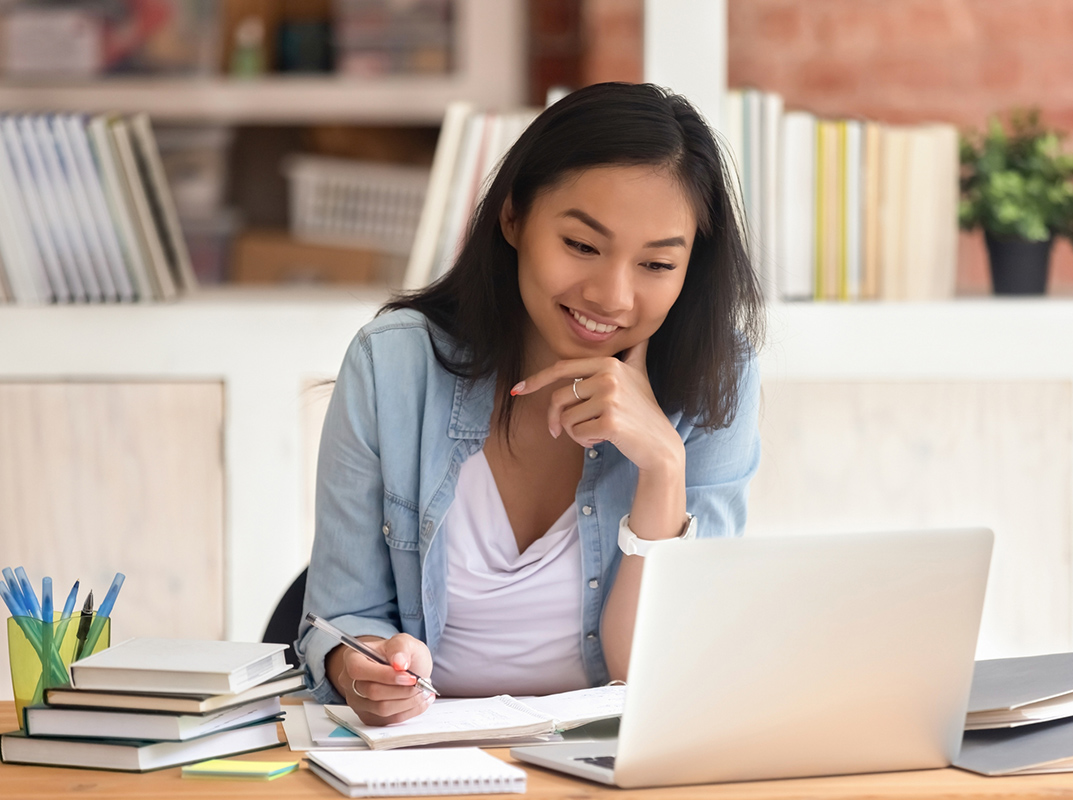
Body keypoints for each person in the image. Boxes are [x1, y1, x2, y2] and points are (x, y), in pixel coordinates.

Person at [296, 82, 763, 726]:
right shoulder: (393, 366)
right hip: (425, 763)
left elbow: (656, 673)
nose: (612, 296)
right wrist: (368, 668)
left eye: (656, 265)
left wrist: (664, 468)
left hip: (605, 764)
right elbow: (341, 616)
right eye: (581, 246)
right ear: (513, 217)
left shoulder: (718, 380)